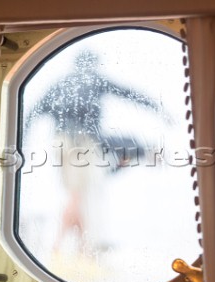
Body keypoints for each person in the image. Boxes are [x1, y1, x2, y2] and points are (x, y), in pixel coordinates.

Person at [23, 50, 161, 253]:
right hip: (82, 142)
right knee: (79, 195)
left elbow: (32, 111)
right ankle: (61, 246)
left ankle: (81, 247)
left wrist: (21, 144)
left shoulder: (59, 83)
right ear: (93, 64)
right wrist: (158, 107)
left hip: (59, 142)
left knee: (78, 194)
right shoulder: (95, 78)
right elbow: (127, 92)